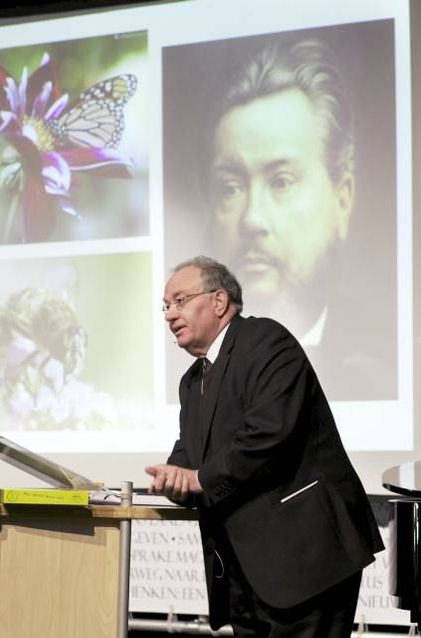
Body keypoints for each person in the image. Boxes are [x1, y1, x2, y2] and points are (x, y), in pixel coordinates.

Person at [147, 256, 384, 637]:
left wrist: (198, 479)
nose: (169, 314)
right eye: (166, 305)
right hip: (246, 573)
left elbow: (269, 435)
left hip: (306, 558)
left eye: (180, 300)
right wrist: (172, 476)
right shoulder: (192, 381)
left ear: (219, 302)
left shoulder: (266, 342)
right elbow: (189, 452)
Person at [201, 38, 395, 400]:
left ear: (342, 198)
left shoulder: (390, 364)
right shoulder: (186, 367)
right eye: (230, 187)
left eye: (281, 181)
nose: (253, 219)